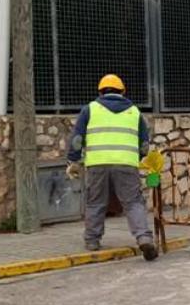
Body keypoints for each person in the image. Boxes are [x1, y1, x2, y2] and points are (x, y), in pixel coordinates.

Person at [66, 74, 157, 261]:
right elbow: (145, 145)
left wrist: (73, 161)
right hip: (126, 163)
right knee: (133, 202)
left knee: (96, 202)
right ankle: (144, 238)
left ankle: (92, 240)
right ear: (123, 92)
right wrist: (135, 157)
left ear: (100, 91)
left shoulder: (89, 109)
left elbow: (76, 140)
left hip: (97, 164)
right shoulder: (135, 112)